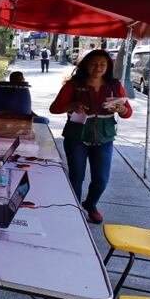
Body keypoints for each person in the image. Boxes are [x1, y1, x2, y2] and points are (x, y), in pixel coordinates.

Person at [49, 49, 133, 224]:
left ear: (108, 66)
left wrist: (121, 109)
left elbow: (128, 112)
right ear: (86, 64)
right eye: (94, 63)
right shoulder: (73, 85)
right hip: (76, 138)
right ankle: (74, 209)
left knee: (101, 179)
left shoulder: (115, 85)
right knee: (76, 177)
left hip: (104, 139)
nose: (98, 67)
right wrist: (72, 105)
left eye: (103, 64)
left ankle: (91, 204)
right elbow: (54, 108)